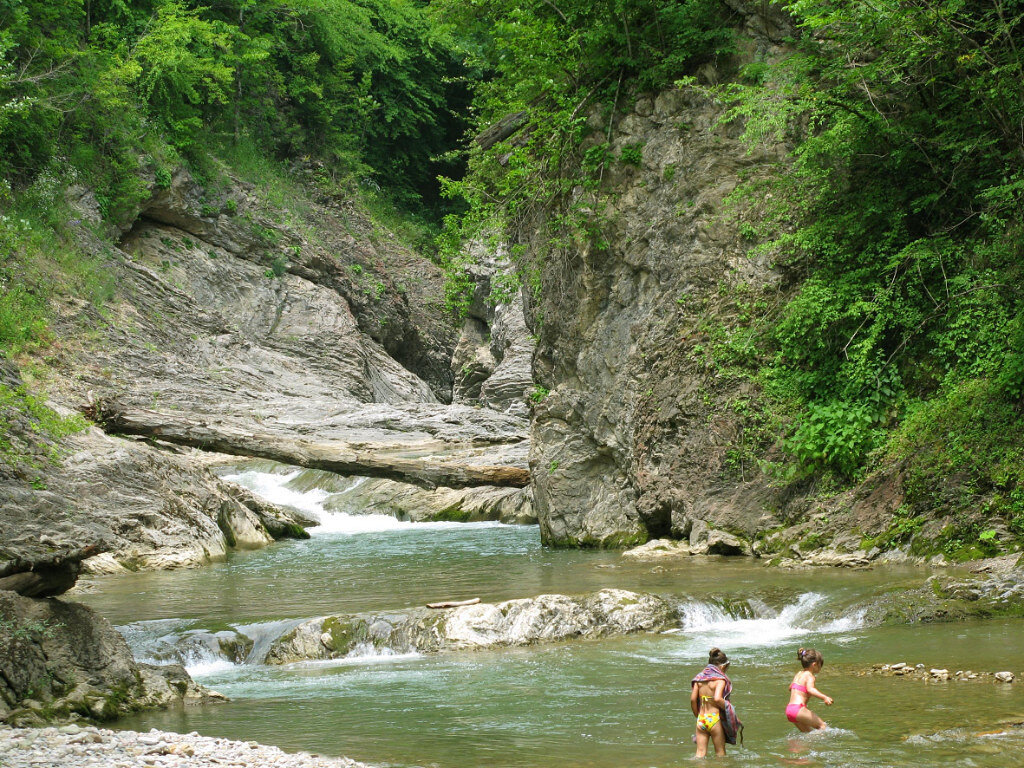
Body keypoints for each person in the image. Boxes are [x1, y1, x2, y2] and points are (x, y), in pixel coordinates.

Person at [690, 648, 742, 757]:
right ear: (722, 666)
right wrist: (731, 711)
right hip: (714, 719)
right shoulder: (720, 680)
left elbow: (693, 699)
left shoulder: (699, 679)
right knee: (720, 754)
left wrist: (697, 715)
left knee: (699, 754)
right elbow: (718, 699)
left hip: (701, 719)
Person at [786, 647, 833, 732]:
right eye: (820, 666)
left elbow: (790, 687)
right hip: (798, 709)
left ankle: (795, 744)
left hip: (789, 710)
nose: (820, 669)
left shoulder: (799, 673)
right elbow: (810, 689)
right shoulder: (810, 676)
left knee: (808, 734)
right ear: (814, 664)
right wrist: (824, 697)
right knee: (822, 726)